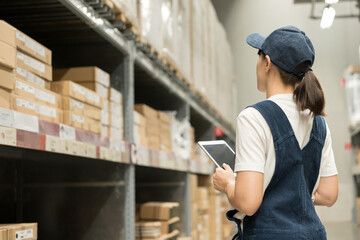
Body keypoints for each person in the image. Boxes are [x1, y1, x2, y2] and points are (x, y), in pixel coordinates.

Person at [212, 26, 338, 240]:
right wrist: (294, 198)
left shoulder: (253, 118)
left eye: (258, 57)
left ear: (267, 63)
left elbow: (248, 203)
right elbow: (328, 194)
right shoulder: (318, 122)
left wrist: (228, 184)